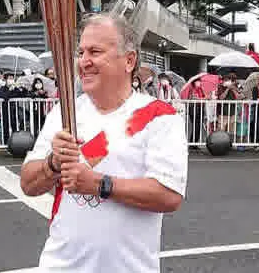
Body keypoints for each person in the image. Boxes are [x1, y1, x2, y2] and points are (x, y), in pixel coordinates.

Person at [20, 14, 188, 273]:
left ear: (129, 60)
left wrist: (99, 184)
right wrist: (53, 163)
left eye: (95, 51)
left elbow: (168, 195)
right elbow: (28, 184)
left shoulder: (159, 116)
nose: (84, 62)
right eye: (81, 52)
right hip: (59, 266)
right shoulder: (64, 113)